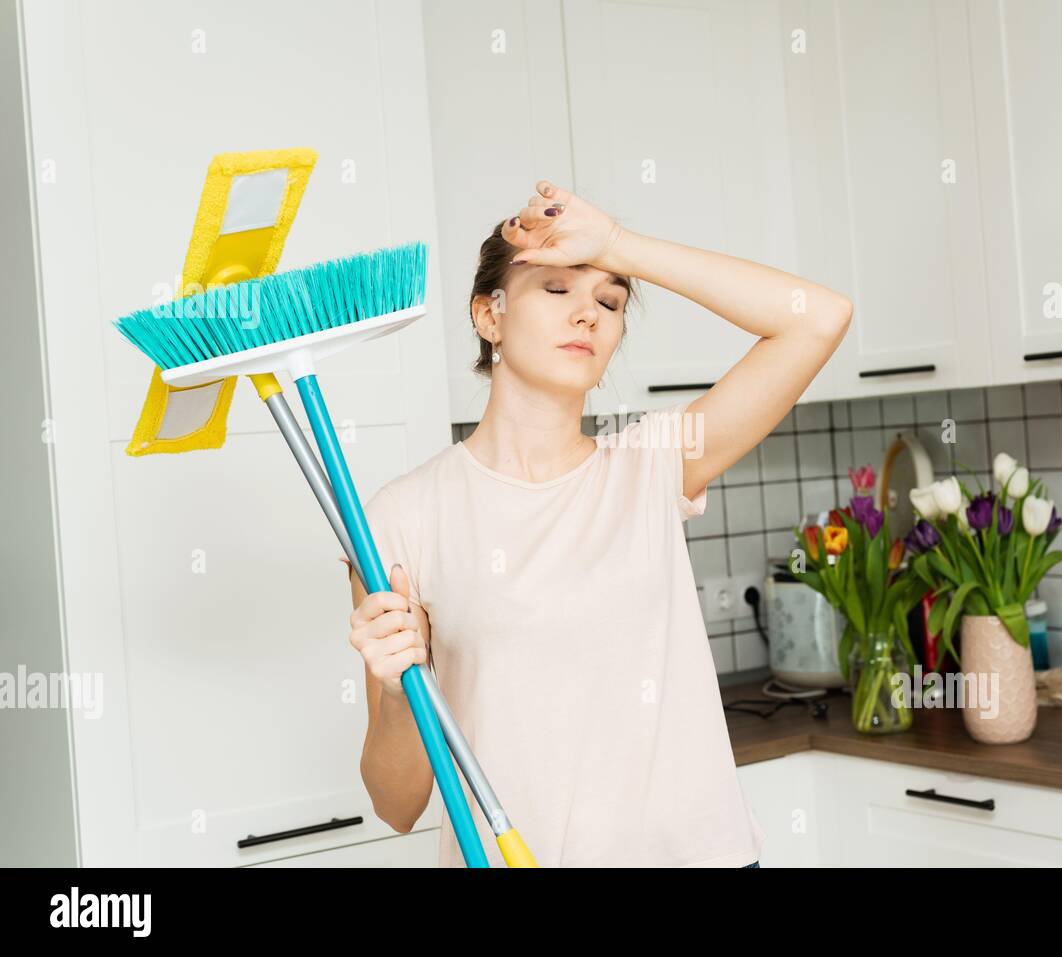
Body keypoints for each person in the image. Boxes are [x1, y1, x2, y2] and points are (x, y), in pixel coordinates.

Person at [344, 180, 852, 867]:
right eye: (556, 289)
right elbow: (396, 804)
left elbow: (817, 317)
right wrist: (390, 687)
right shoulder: (400, 517)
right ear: (488, 316)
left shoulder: (651, 466)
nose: (586, 313)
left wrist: (621, 246)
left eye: (609, 301)